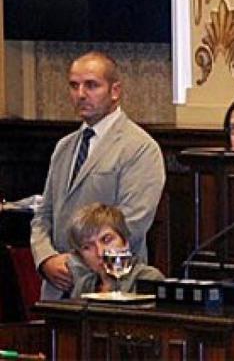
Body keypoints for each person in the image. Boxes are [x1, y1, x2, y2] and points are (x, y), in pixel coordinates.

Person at [31, 51, 166, 300]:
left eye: (91, 85)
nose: (80, 94)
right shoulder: (65, 146)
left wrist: (75, 261)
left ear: (115, 91)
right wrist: (46, 258)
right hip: (56, 288)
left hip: (113, 286)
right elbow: (44, 213)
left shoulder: (140, 147)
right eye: (74, 86)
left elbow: (131, 223)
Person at [67, 203, 164, 298]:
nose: (100, 253)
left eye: (106, 240)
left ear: (125, 241)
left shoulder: (148, 278)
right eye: (87, 247)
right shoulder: (84, 285)